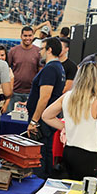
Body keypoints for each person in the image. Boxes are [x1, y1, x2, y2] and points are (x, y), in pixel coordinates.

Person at [42, 62, 97, 180]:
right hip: (89, 154)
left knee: (68, 185)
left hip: (70, 151)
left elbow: (46, 116)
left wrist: (65, 127)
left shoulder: (67, 96)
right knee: (85, 191)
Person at [26, 38, 66, 177]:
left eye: (42, 48)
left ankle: (39, 181)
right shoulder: (58, 67)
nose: (40, 52)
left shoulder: (50, 69)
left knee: (40, 153)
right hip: (47, 119)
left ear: (49, 50)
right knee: (46, 150)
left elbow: (44, 97)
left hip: (42, 120)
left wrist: (34, 121)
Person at [8, 26, 41, 107]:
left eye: (30, 35)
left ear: (33, 36)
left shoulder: (38, 52)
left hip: (31, 92)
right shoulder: (13, 51)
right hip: (15, 92)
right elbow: (7, 70)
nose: (27, 38)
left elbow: (41, 72)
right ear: (21, 36)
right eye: (25, 36)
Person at [0, 46, 15, 113]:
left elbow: (10, 91)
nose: (0, 57)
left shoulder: (9, 71)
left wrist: (6, 105)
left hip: (2, 103)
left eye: (2, 55)